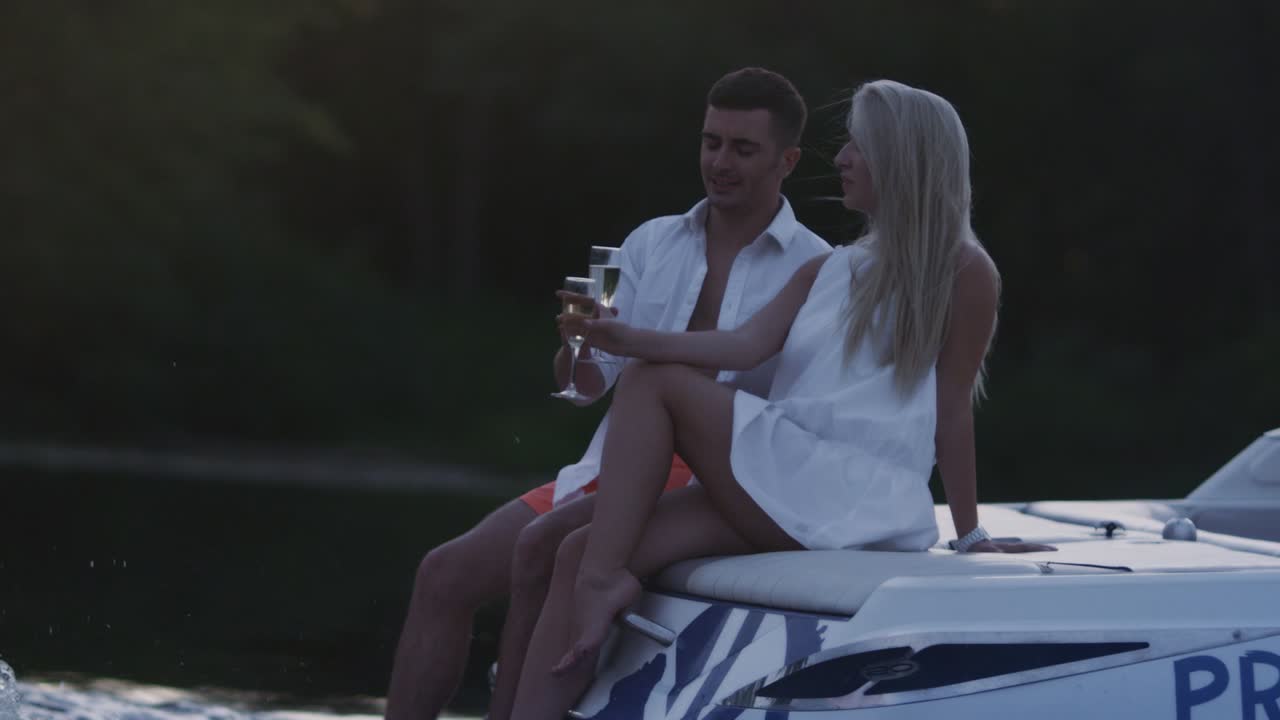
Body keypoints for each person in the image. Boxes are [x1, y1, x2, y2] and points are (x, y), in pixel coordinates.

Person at [507, 79, 1054, 718]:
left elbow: (952, 407)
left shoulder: (963, 270)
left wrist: (969, 534)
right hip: (787, 478)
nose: (841, 158)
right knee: (575, 550)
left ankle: (605, 582)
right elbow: (741, 347)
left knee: (653, 383)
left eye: (858, 146)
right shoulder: (828, 267)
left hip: (852, 492)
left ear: (901, 158)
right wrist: (624, 337)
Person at [383, 67, 832, 720]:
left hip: (720, 478)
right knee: (443, 573)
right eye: (711, 142)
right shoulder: (653, 242)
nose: (720, 162)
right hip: (619, 459)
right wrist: (579, 343)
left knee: (541, 547)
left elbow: (803, 413)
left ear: (786, 161)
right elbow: (587, 387)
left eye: (743, 148)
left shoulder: (814, 266)